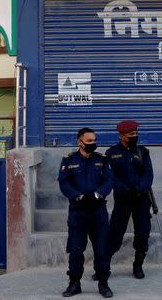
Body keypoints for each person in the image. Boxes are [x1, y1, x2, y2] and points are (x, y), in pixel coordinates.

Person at [58, 127, 114, 298]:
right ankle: (74, 283)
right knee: (75, 250)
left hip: (98, 212)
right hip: (78, 212)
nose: (93, 144)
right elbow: (64, 183)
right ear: (79, 142)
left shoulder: (101, 160)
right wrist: (78, 196)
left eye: (94, 141)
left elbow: (109, 180)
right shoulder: (69, 160)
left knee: (102, 250)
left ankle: (103, 283)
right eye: (89, 141)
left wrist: (98, 194)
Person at [106, 120, 154, 279]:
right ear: (122, 135)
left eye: (136, 133)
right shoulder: (111, 153)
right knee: (115, 233)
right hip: (122, 199)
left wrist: (140, 189)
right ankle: (103, 266)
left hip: (141, 199)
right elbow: (110, 176)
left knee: (143, 232)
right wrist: (124, 189)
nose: (135, 136)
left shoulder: (143, 152)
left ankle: (138, 265)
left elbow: (148, 174)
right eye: (131, 134)